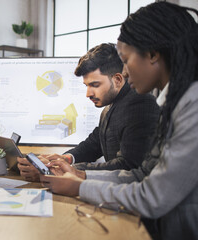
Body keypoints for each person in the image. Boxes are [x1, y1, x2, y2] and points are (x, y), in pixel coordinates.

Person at [40, 2, 198, 239]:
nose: (123, 72)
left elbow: (152, 195)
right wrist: (79, 174)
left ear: (153, 54)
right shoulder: (175, 102)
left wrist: (81, 185)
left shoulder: (190, 106)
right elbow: (142, 174)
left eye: (125, 59)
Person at [18, 43, 159, 181]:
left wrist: (66, 170)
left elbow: (128, 166)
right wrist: (65, 159)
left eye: (95, 85)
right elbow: (93, 144)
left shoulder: (140, 104)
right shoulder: (109, 107)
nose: (88, 93)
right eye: (86, 85)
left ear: (117, 80)